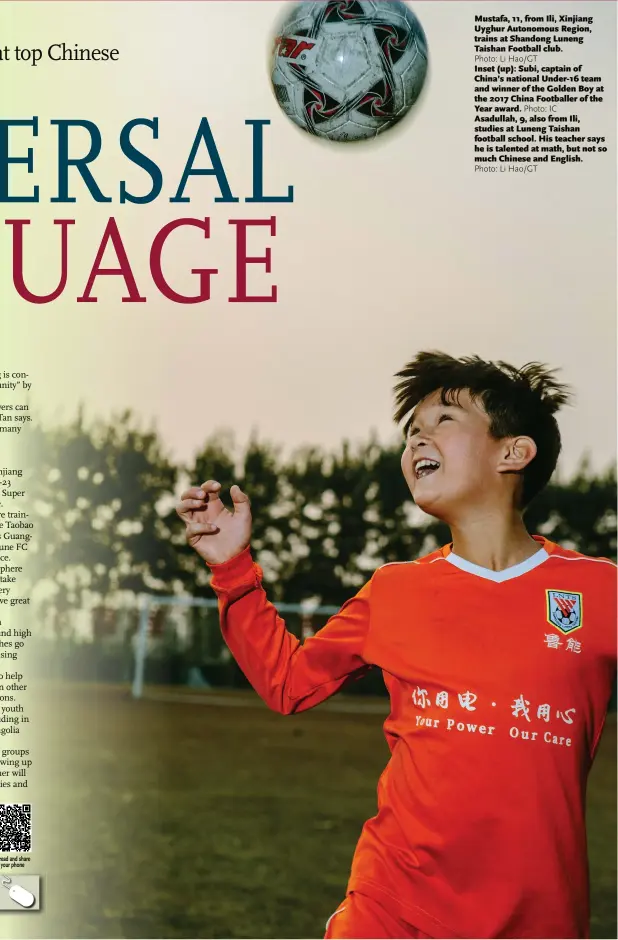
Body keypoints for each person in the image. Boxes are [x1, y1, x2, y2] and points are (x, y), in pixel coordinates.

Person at [176, 352, 616, 940]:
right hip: (394, 908)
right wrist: (232, 567)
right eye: (411, 432)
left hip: (540, 917)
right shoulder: (396, 591)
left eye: (443, 421)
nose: (416, 440)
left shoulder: (599, 591)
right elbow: (288, 682)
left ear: (514, 451)